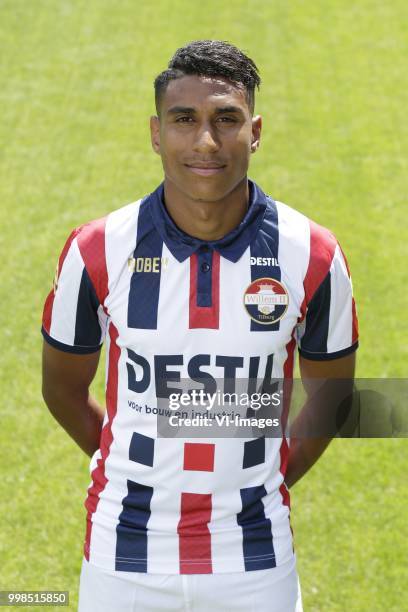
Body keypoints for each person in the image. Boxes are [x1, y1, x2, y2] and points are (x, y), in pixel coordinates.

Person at [41, 40, 358, 612]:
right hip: (123, 556)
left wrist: (269, 476)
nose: (205, 142)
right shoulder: (96, 249)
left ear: (255, 132)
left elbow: (334, 396)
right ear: (156, 133)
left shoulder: (311, 253)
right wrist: (124, 457)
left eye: (226, 120)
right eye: (184, 120)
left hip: (256, 559)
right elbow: (61, 389)